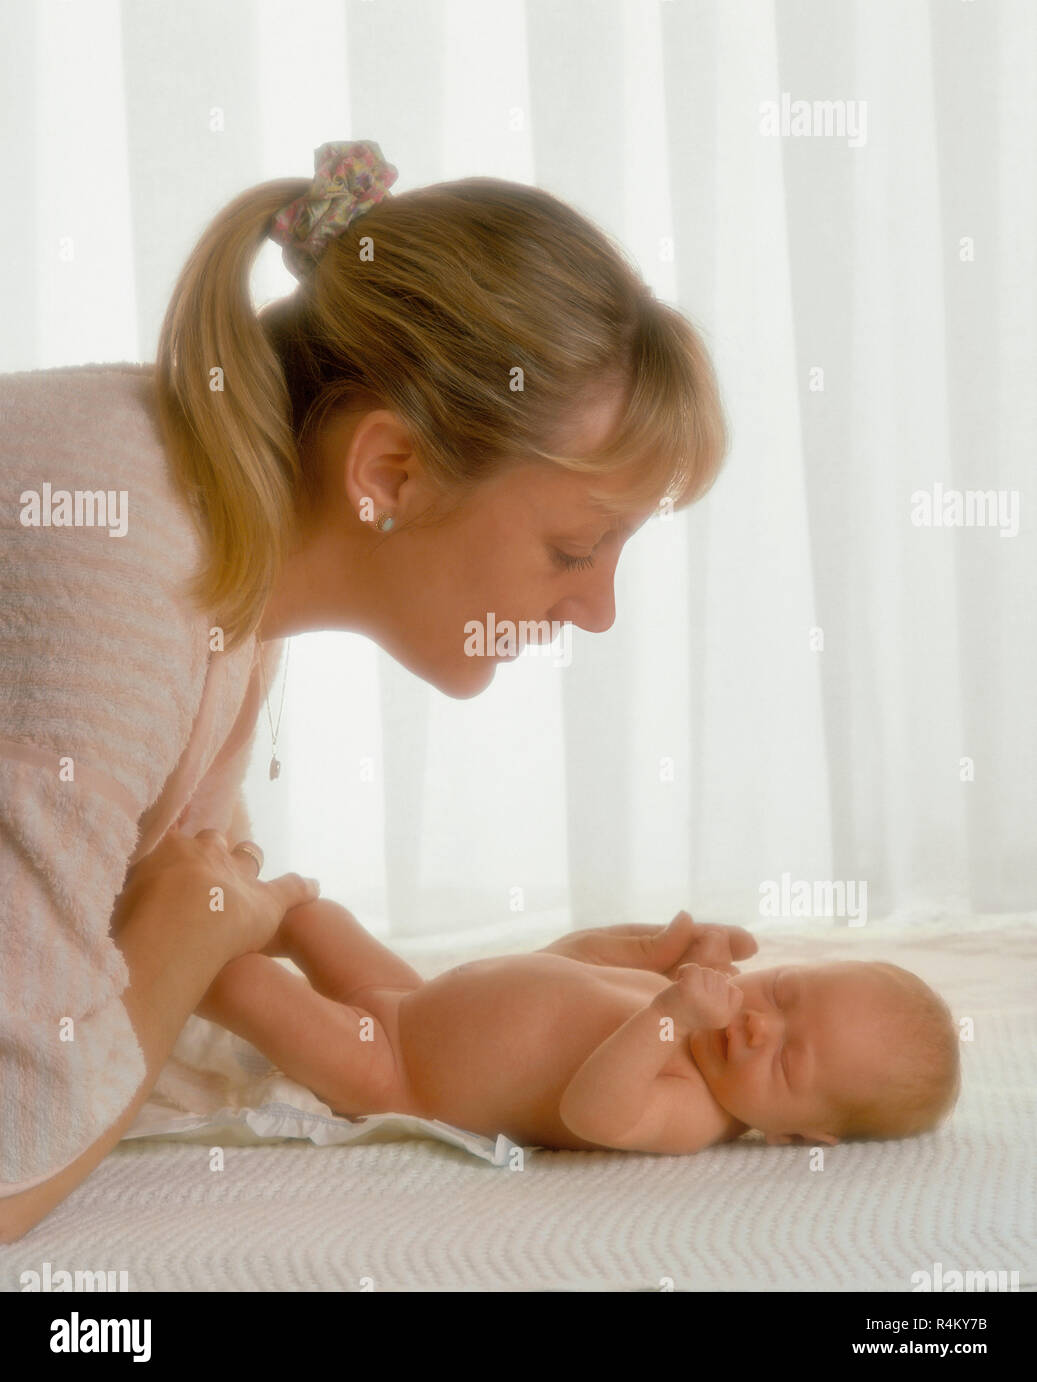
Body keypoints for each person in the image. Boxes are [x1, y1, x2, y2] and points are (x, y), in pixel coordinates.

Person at [0, 141, 727, 1238]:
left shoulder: (220, 566)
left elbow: (173, 939)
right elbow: (14, 1148)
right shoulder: (128, 572)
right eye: (577, 549)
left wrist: (533, 994)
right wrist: (193, 924)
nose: (597, 611)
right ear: (389, 472)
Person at [197, 899, 962, 1152]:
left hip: (395, 1072)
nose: (762, 1027)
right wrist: (650, 953)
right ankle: (203, 875)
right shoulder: (689, 1010)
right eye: (784, 994)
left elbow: (591, 1111)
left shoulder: (693, 1112)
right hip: (408, 999)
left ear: (798, 1136)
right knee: (308, 916)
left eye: (788, 1065)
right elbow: (566, 964)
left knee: (239, 979)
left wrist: (669, 1010)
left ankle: (148, 949)